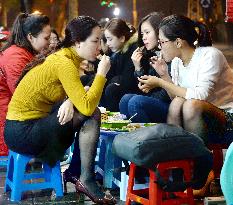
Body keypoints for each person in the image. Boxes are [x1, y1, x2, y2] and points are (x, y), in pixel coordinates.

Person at [4, 16, 116, 204]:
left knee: (85, 113)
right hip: (22, 132)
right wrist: (101, 74)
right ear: (78, 42)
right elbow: (87, 106)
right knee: (92, 113)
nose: (100, 47)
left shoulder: (65, 58)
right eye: (95, 41)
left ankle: (78, 174)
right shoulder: (64, 63)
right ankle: (84, 178)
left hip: (25, 127)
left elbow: (77, 95)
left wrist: (70, 101)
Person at [137, 14, 233, 143]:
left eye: (162, 42)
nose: (160, 47)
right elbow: (176, 98)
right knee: (177, 103)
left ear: (178, 42)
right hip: (198, 116)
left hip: (226, 117)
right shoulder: (177, 61)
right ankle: (177, 153)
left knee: (190, 105)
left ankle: (199, 158)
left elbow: (200, 95)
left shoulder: (209, 55)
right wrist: (164, 75)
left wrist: (160, 83)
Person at [0, 13, 51, 156]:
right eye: (46, 38)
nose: (48, 42)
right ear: (30, 37)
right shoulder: (16, 57)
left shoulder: (24, 53)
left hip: (16, 120)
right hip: (10, 128)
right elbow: (25, 97)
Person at [119, 12, 171, 123]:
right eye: (142, 34)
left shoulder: (169, 54)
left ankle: (147, 138)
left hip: (171, 106)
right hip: (156, 100)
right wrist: (138, 68)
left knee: (135, 102)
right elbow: (144, 88)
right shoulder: (152, 54)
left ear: (159, 31)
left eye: (147, 32)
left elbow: (165, 95)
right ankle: (129, 137)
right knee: (125, 99)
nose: (144, 38)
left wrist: (148, 93)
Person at [102, 18, 139, 111]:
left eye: (110, 39)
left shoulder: (133, 49)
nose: (108, 43)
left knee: (112, 87)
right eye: (106, 40)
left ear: (122, 38)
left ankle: (113, 120)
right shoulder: (115, 50)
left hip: (135, 89)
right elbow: (107, 72)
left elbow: (129, 80)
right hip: (122, 85)